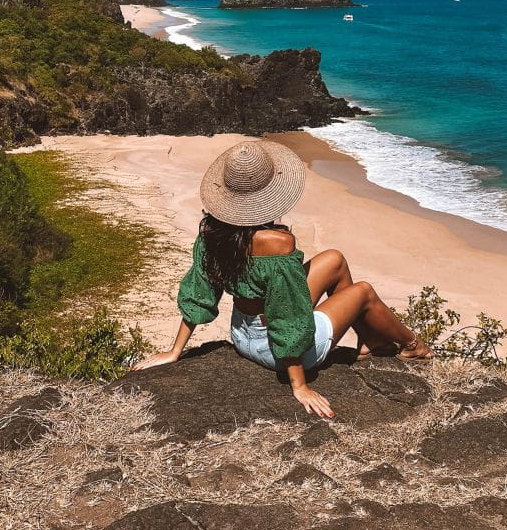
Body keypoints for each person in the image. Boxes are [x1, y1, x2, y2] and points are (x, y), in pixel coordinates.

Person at [132, 140, 434, 417]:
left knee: (335, 259)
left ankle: (368, 342)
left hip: (241, 335)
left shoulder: (212, 233)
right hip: (277, 350)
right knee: (363, 291)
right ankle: (414, 346)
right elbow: (286, 314)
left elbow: (200, 295)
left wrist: (175, 351)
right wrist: (299, 386)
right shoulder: (278, 244)